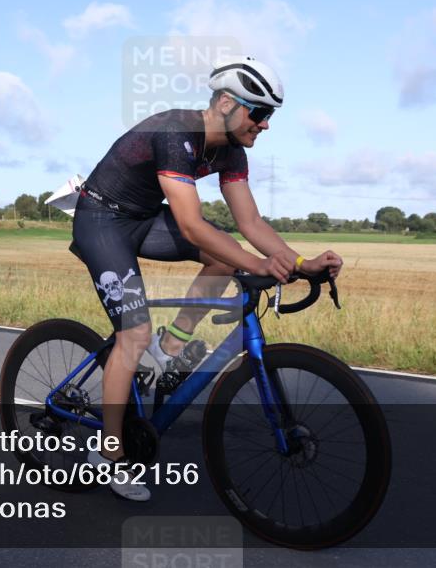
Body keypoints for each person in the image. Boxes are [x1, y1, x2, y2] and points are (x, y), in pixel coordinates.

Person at [70, 55, 343, 501]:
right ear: (224, 103)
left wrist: (299, 264)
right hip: (101, 219)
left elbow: (250, 223)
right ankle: (109, 454)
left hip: (142, 218)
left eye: (269, 114)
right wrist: (257, 265)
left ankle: (170, 347)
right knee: (132, 334)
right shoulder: (176, 132)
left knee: (224, 254)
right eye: (260, 113)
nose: (266, 124)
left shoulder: (231, 150)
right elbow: (194, 227)